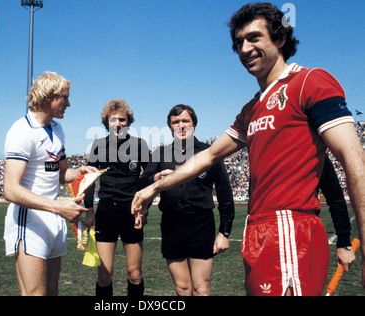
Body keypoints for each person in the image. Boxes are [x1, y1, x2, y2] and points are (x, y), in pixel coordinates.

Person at [132, 3, 365, 296]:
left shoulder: (310, 81)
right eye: (239, 42)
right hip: (257, 229)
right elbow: (210, 155)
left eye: (254, 37)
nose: (244, 48)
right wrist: (155, 188)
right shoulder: (251, 108)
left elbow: (354, 159)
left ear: (280, 39)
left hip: (289, 227)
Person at [3, 72, 97, 296]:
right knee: (36, 293)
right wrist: (58, 207)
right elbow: (10, 189)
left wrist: (79, 172)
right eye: (64, 97)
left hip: (55, 219)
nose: (69, 103)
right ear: (48, 97)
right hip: (30, 221)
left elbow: (61, 172)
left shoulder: (57, 129)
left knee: (52, 292)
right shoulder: (21, 131)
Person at [138, 104, 235, 296]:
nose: (181, 125)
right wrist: (157, 178)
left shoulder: (209, 152)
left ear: (194, 124)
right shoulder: (160, 153)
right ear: (170, 126)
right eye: (175, 122)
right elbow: (143, 183)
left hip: (201, 225)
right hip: (171, 225)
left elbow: (224, 191)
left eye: (185, 121)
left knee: (201, 289)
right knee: (182, 289)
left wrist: (225, 231)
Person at [84, 99, 150, 296]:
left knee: (134, 273)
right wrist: (89, 210)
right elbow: (89, 179)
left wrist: (144, 209)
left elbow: (148, 179)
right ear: (107, 122)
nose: (118, 123)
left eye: (122, 119)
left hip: (132, 212)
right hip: (106, 212)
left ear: (128, 121)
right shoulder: (98, 145)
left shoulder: (139, 145)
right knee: (105, 273)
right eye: (113, 120)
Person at [318, 154, 356, 272]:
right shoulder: (261, 145)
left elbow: (336, 199)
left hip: (304, 235)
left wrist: (344, 243)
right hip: (266, 234)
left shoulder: (316, 152)